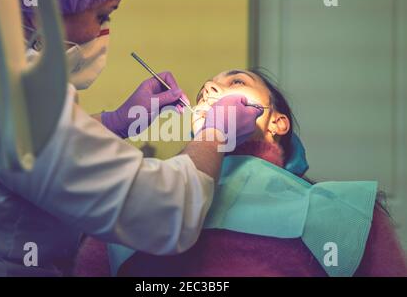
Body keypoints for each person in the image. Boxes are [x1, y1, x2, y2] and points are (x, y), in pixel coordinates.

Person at [0, 0, 264, 276]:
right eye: (102, 15)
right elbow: (165, 213)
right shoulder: (20, 96)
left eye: (237, 82)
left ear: (278, 122)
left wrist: (114, 121)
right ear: (45, 7)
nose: (103, 31)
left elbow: (46, 149)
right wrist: (214, 135)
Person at [74, 69, 407, 277]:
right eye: (205, 90)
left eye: (236, 82)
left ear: (278, 122)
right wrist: (117, 121)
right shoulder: (131, 202)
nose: (210, 92)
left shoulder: (344, 215)